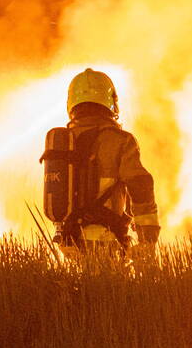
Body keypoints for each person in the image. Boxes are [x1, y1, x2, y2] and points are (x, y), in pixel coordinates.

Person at [42, 68, 159, 253]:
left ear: (71, 103)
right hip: (106, 241)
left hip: (68, 243)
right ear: (111, 102)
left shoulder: (64, 141)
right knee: (107, 283)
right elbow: (140, 185)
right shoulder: (120, 140)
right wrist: (148, 239)